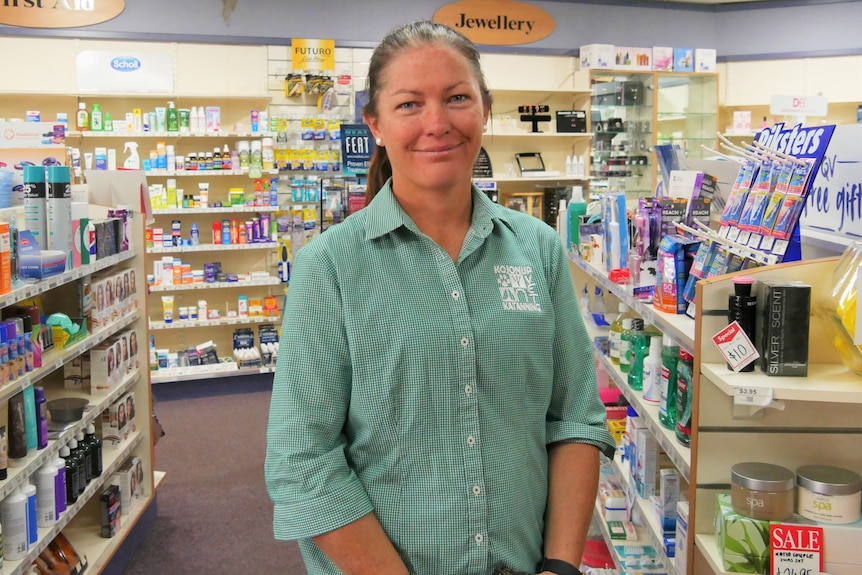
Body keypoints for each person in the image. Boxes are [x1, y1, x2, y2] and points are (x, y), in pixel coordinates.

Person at [265, 20, 615, 575]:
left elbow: (572, 417)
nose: (437, 124)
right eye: (409, 105)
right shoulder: (330, 266)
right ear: (375, 124)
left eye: (457, 99)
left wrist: (560, 566)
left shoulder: (538, 250)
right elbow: (304, 462)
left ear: (483, 110)